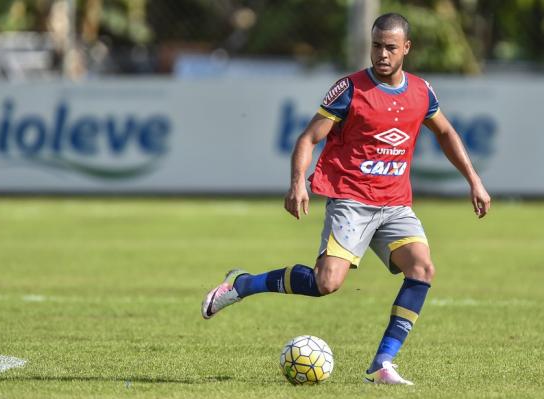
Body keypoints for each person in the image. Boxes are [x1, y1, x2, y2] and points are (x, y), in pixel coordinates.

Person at [201, 12, 490, 385]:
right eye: (376, 46)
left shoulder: (422, 92)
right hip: (350, 201)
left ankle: (382, 364)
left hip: (395, 205)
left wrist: (474, 180)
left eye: (390, 47)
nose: (382, 54)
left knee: (422, 269)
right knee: (327, 283)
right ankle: (242, 285)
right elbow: (308, 138)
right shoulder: (349, 90)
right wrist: (297, 183)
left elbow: (447, 133)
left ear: (406, 48)